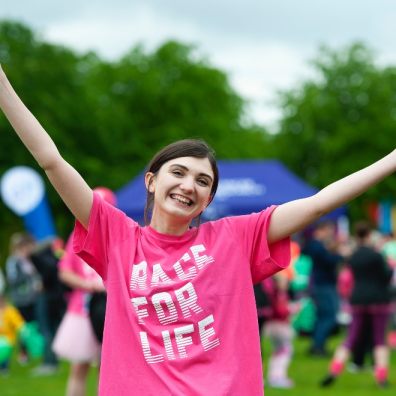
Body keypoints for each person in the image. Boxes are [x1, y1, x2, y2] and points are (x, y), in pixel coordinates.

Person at [1, 64, 396, 396]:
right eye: (179, 172)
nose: (189, 185)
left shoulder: (235, 237)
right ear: (151, 181)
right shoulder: (116, 236)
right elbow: (51, 160)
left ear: (207, 201)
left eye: (203, 181)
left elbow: (320, 203)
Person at [52, 187, 114, 396]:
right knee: (80, 366)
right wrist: (89, 285)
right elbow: (64, 273)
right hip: (83, 310)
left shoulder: (119, 235)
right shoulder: (77, 235)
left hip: (112, 310)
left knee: (108, 369)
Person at [320, 221, 393, 388]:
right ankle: (381, 377)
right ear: (369, 235)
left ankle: (334, 370)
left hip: (358, 299)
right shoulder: (377, 255)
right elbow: (387, 275)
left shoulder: (352, 256)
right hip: (378, 299)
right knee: (379, 340)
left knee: (351, 338)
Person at [303, 221, 344, 356]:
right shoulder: (316, 245)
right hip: (323, 285)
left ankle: (317, 344)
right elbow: (328, 261)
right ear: (321, 230)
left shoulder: (317, 245)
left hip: (322, 284)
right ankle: (318, 346)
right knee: (329, 316)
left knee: (323, 316)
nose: (331, 234)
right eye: (329, 230)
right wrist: (341, 255)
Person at [5, 232, 42, 364]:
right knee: (22, 326)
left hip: (31, 298)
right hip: (20, 299)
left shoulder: (29, 260)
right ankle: (23, 353)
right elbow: (13, 280)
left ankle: (33, 349)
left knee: (32, 325)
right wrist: (26, 275)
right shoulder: (13, 262)